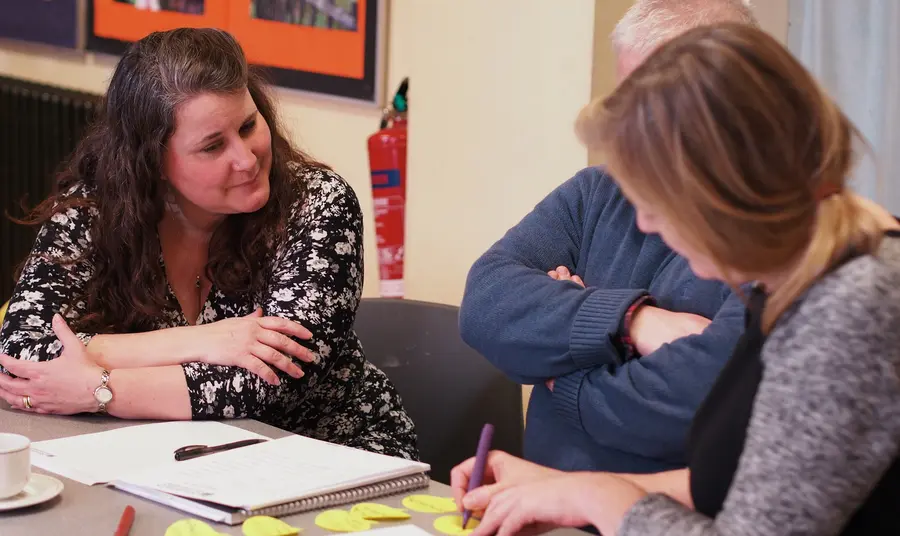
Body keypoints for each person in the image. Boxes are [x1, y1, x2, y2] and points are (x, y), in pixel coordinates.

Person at [452, 22, 900, 535]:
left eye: (655, 202)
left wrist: (604, 498)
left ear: (722, 187)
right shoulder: (788, 280)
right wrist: (560, 488)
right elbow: (736, 484)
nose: (643, 224)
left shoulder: (852, 304)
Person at [0, 28, 418, 461]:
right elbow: (18, 350)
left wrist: (97, 388)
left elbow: (270, 384)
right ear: (153, 163)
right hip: (183, 458)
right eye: (213, 146)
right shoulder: (97, 207)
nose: (246, 158)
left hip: (333, 456)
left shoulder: (320, 204)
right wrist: (203, 340)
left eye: (249, 125)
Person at [459, 0, 756, 474]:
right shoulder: (598, 190)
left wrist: (558, 363)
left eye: (657, 107)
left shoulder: (779, 247)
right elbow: (485, 302)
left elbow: (698, 408)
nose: (634, 131)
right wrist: (633, 322)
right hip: (545, 500)